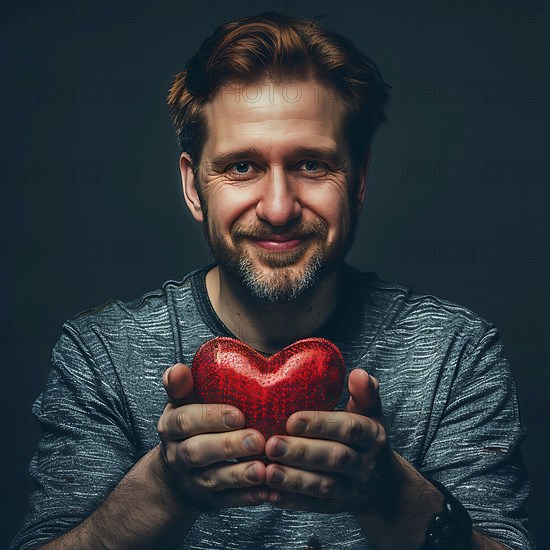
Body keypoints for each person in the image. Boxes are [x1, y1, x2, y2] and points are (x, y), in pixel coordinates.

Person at [11, 12, 534, 550]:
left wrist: (391, 497)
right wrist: (164, 489)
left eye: (311, 164)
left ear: (358, 180)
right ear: (194, 187)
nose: (279, 208)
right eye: (241, 167)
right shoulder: (101, 355)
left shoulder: (455, 352)